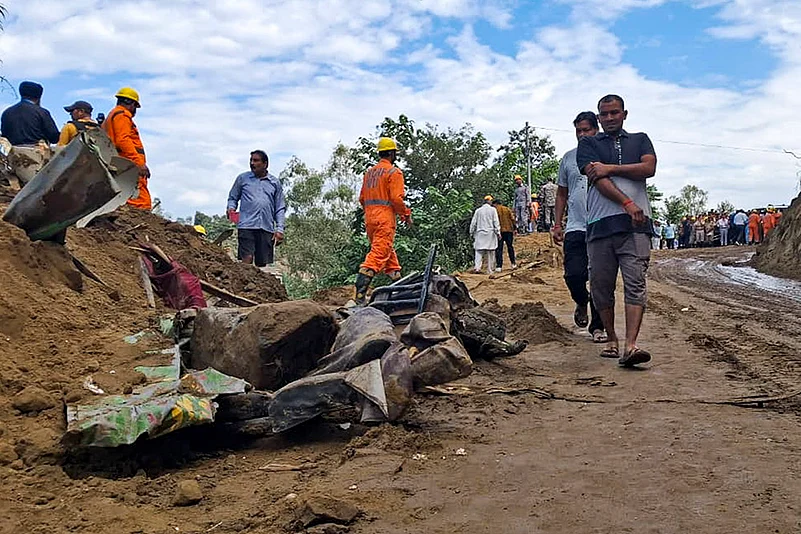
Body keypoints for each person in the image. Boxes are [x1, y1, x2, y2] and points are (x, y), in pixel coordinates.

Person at [576, 94, 656, 367]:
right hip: (600, 226)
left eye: (615, 112)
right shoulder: (587, 143)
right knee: (600, 285)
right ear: (598, 117)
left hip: (636, 226)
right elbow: (597, 180)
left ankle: (631, 345)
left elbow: (649, 168)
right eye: (605, 114)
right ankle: (611, 338)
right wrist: (627, 202)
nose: (610, 118)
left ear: (624, 114)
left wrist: (610, 168)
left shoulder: (640, 139)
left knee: (635, 283)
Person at [552, 111, 605, 342]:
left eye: (587, 130)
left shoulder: (607, 154)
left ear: (596, 130)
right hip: (575, 226)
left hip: (602, 225)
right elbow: (562, 193)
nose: (583, 135)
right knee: (574, 274)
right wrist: (556, 224)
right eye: (579, 130)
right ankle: (581, 301)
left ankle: (598, 327)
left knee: (601, 279)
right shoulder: (568, 158)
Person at [353, 138, 412, 304]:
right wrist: (405, 214)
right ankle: (359, 295)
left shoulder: (369, 173)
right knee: (377, 255)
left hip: (370, 219)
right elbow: (396, 198)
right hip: (384, 219)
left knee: (387, 252)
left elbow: (362, 198)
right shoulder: (394, 173)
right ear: (392, 153)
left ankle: (398, 284)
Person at [227, 150, 287, 269]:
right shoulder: (243, 179)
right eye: (251, 160)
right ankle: (243, 284)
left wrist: (280, 229)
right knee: (247, 258)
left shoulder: (274, 183)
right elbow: (233, 197)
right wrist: (231, 208)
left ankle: (257, 287)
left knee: (261, 263)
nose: (252, 163)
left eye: (256, 160)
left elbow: (279, 207)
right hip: (246, 225)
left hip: (266, 226)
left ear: (265, 164)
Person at [103, 87, 151, 209]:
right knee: (140, 200)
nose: (135, 110)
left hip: (121, 163)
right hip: (129, 164)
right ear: (131, 103)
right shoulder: (122, 115)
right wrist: (139, 163)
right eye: (135, 106)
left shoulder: (112, 116)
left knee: (128, 195)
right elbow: (123, 140)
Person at [0, 81, 59, 146]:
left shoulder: (6, 113)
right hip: (36, 153)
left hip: (11, 153)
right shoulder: (42, 112)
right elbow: (54, 137)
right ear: (38, 97)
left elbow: (4, 137)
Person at [470, 195, 500, 274]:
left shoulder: (478, 210)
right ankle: (490, 269)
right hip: (490, 233)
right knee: (491, 252)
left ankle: (477, 268)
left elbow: (473, 223)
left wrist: (471, 232)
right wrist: (498, 232)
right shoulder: (493, 210)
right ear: (489, 201)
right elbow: (495, 222)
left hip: (480, 233)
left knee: (478, 251)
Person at [492, 198, 516, 271]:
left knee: (499, 248)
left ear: (495, 204)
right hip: (509, 230)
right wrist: (515, 228)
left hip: (500, 231)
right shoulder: (507, 209)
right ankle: (513, 263)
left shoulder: (495, 210)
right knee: (510, 247)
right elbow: (513, 219)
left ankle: (499, 266)